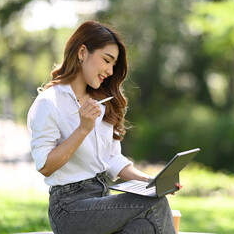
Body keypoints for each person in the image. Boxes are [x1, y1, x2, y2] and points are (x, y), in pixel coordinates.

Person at [27, 20, 177, 234]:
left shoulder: (102, 103)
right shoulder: (49, 103)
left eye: (113, 65)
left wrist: (152, 182)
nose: (109, 70)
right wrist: (82, 129)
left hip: (101, 200)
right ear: (82, 52)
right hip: (69, 209)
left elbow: (112, 160)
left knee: (143, 227)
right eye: (107, 60)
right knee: (156, 204)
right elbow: (45, 165)